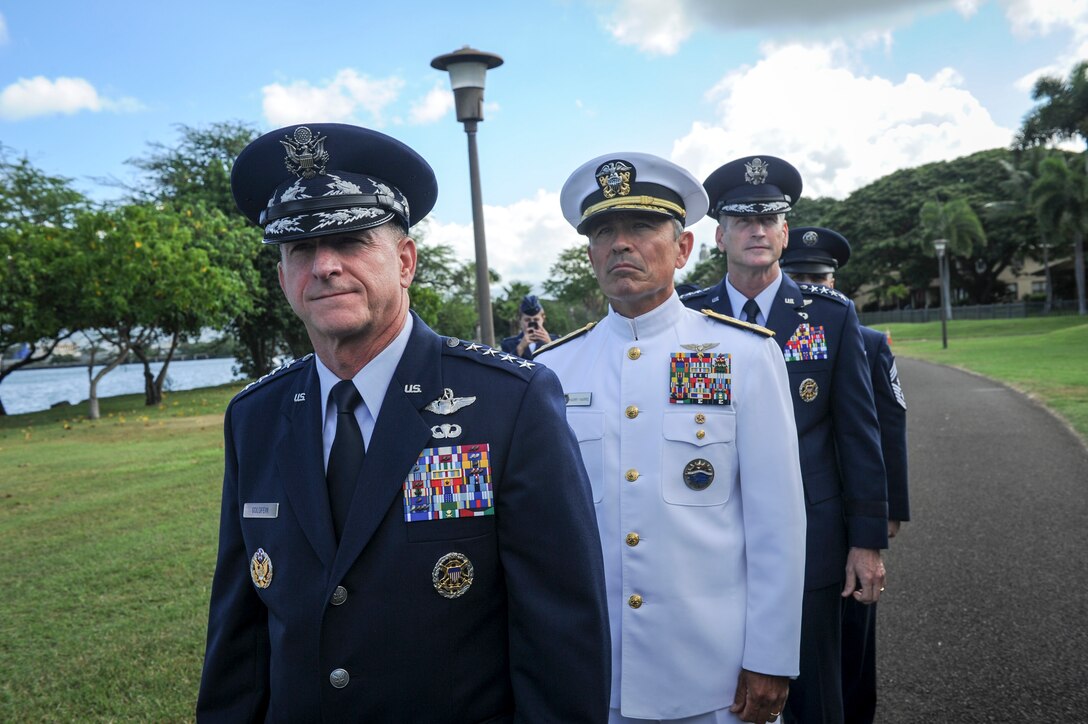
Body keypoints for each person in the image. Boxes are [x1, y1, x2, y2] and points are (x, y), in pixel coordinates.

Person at [196, 123, 610, 723]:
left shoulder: (510, 403)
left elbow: (562, 637)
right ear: (283, 273)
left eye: (351, 241)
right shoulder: (254, 417)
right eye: (300, 250)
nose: (324, 267)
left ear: (406, 260)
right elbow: (241, 635)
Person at [537, 152, 807, 724]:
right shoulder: (554, 371)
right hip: (596, 674)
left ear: (683, 248)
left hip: (714, 677)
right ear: (590, 255)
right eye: (604, 232)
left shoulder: (744, 355)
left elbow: (776, 522)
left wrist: (771, 657)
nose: (620, 245)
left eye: (640, 227)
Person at [681, 157, 888, 724]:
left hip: (813, 540)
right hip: (714, 533)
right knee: (722, 690)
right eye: (742, 220)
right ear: (719, 235)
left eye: (770, 219)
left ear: (784, 233)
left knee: (812, 694)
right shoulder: (692, 319)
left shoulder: (832, 317)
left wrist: (866, 542)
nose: (757, 230)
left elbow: (859, 435)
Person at [779, 227, 911, 724]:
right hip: (801, 503)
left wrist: (885, 512)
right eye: (802, 276)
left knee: (851, 636)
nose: (814, 285)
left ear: (835, 280)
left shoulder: (868, 340)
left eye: (821, 277)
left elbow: (885, 427)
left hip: (847, 506)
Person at [500, 294, 557, 359]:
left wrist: (550, 344)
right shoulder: (508, 344)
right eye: (527, 320)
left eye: (536, 319)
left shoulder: (555, 340)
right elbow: (505, 367)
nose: (532, 322)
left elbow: (562, 363)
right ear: (520, 320)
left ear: (543, 318)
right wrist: (520, 348)